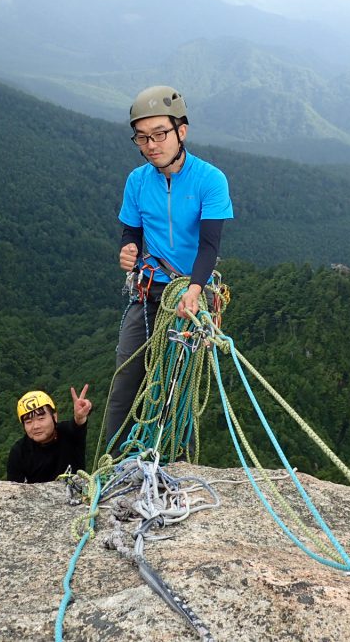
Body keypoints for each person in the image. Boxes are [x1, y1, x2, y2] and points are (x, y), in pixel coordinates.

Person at [104, 85, 234, 450]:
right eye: (142, 138)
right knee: (126, 380)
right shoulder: (137, 180)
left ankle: (175, 464)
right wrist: (127, 248)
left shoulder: (210, 180)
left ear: (182, 131)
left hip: (191, 291)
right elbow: (131, 229)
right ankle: (112, 463)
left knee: (179, 387)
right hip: (148, 290)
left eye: (159, 134)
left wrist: (194, 291)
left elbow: (210, 246)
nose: (151, 145)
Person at [7, 385, 92, 483]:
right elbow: (14, 489)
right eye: (28, 422)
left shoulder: (68, 433)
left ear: (54, 417)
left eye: (41, 418)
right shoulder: (19, 452)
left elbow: (78, 426)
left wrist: (80, 417)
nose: (35, 426)